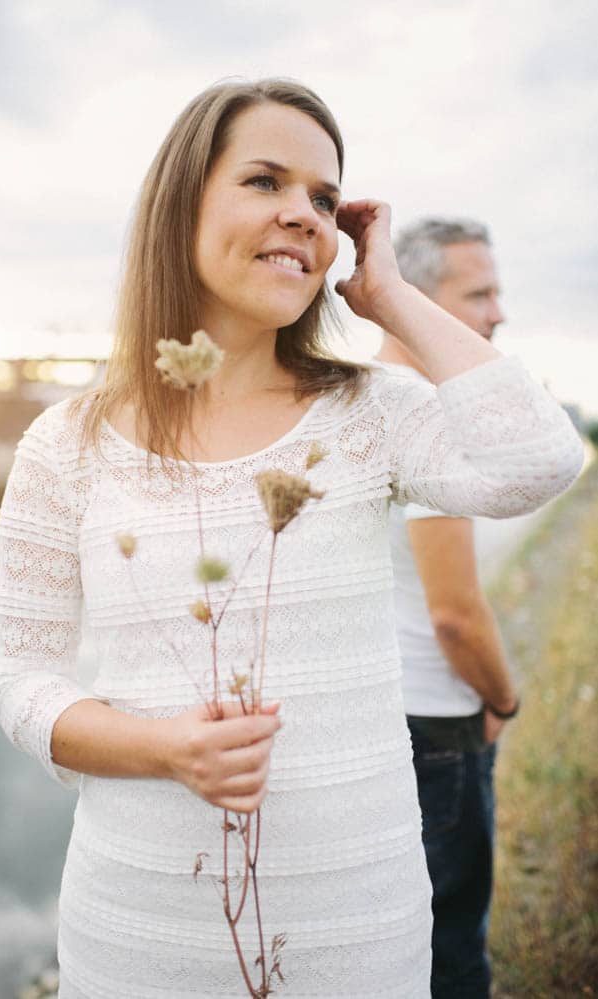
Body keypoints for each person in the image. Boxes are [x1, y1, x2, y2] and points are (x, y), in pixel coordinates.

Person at [0, 81, 583, 999]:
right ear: (181, 204)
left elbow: (539, 461)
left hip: (355, 918)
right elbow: (21, 680)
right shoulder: (66, 444)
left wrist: (391, 296)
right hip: (139, 921)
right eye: (265, 180)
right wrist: (162, 749)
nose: (302, 214)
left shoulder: (370, 411)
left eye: (322, 197)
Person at [379, 217, 522, 998]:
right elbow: (455, 616)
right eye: (479, 292)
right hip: (437, 723)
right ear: (414, 299)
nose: (497, 312)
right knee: (450, 945)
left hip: (379, 712)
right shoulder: (429, 414)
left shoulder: (360, 397)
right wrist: (502, 696)